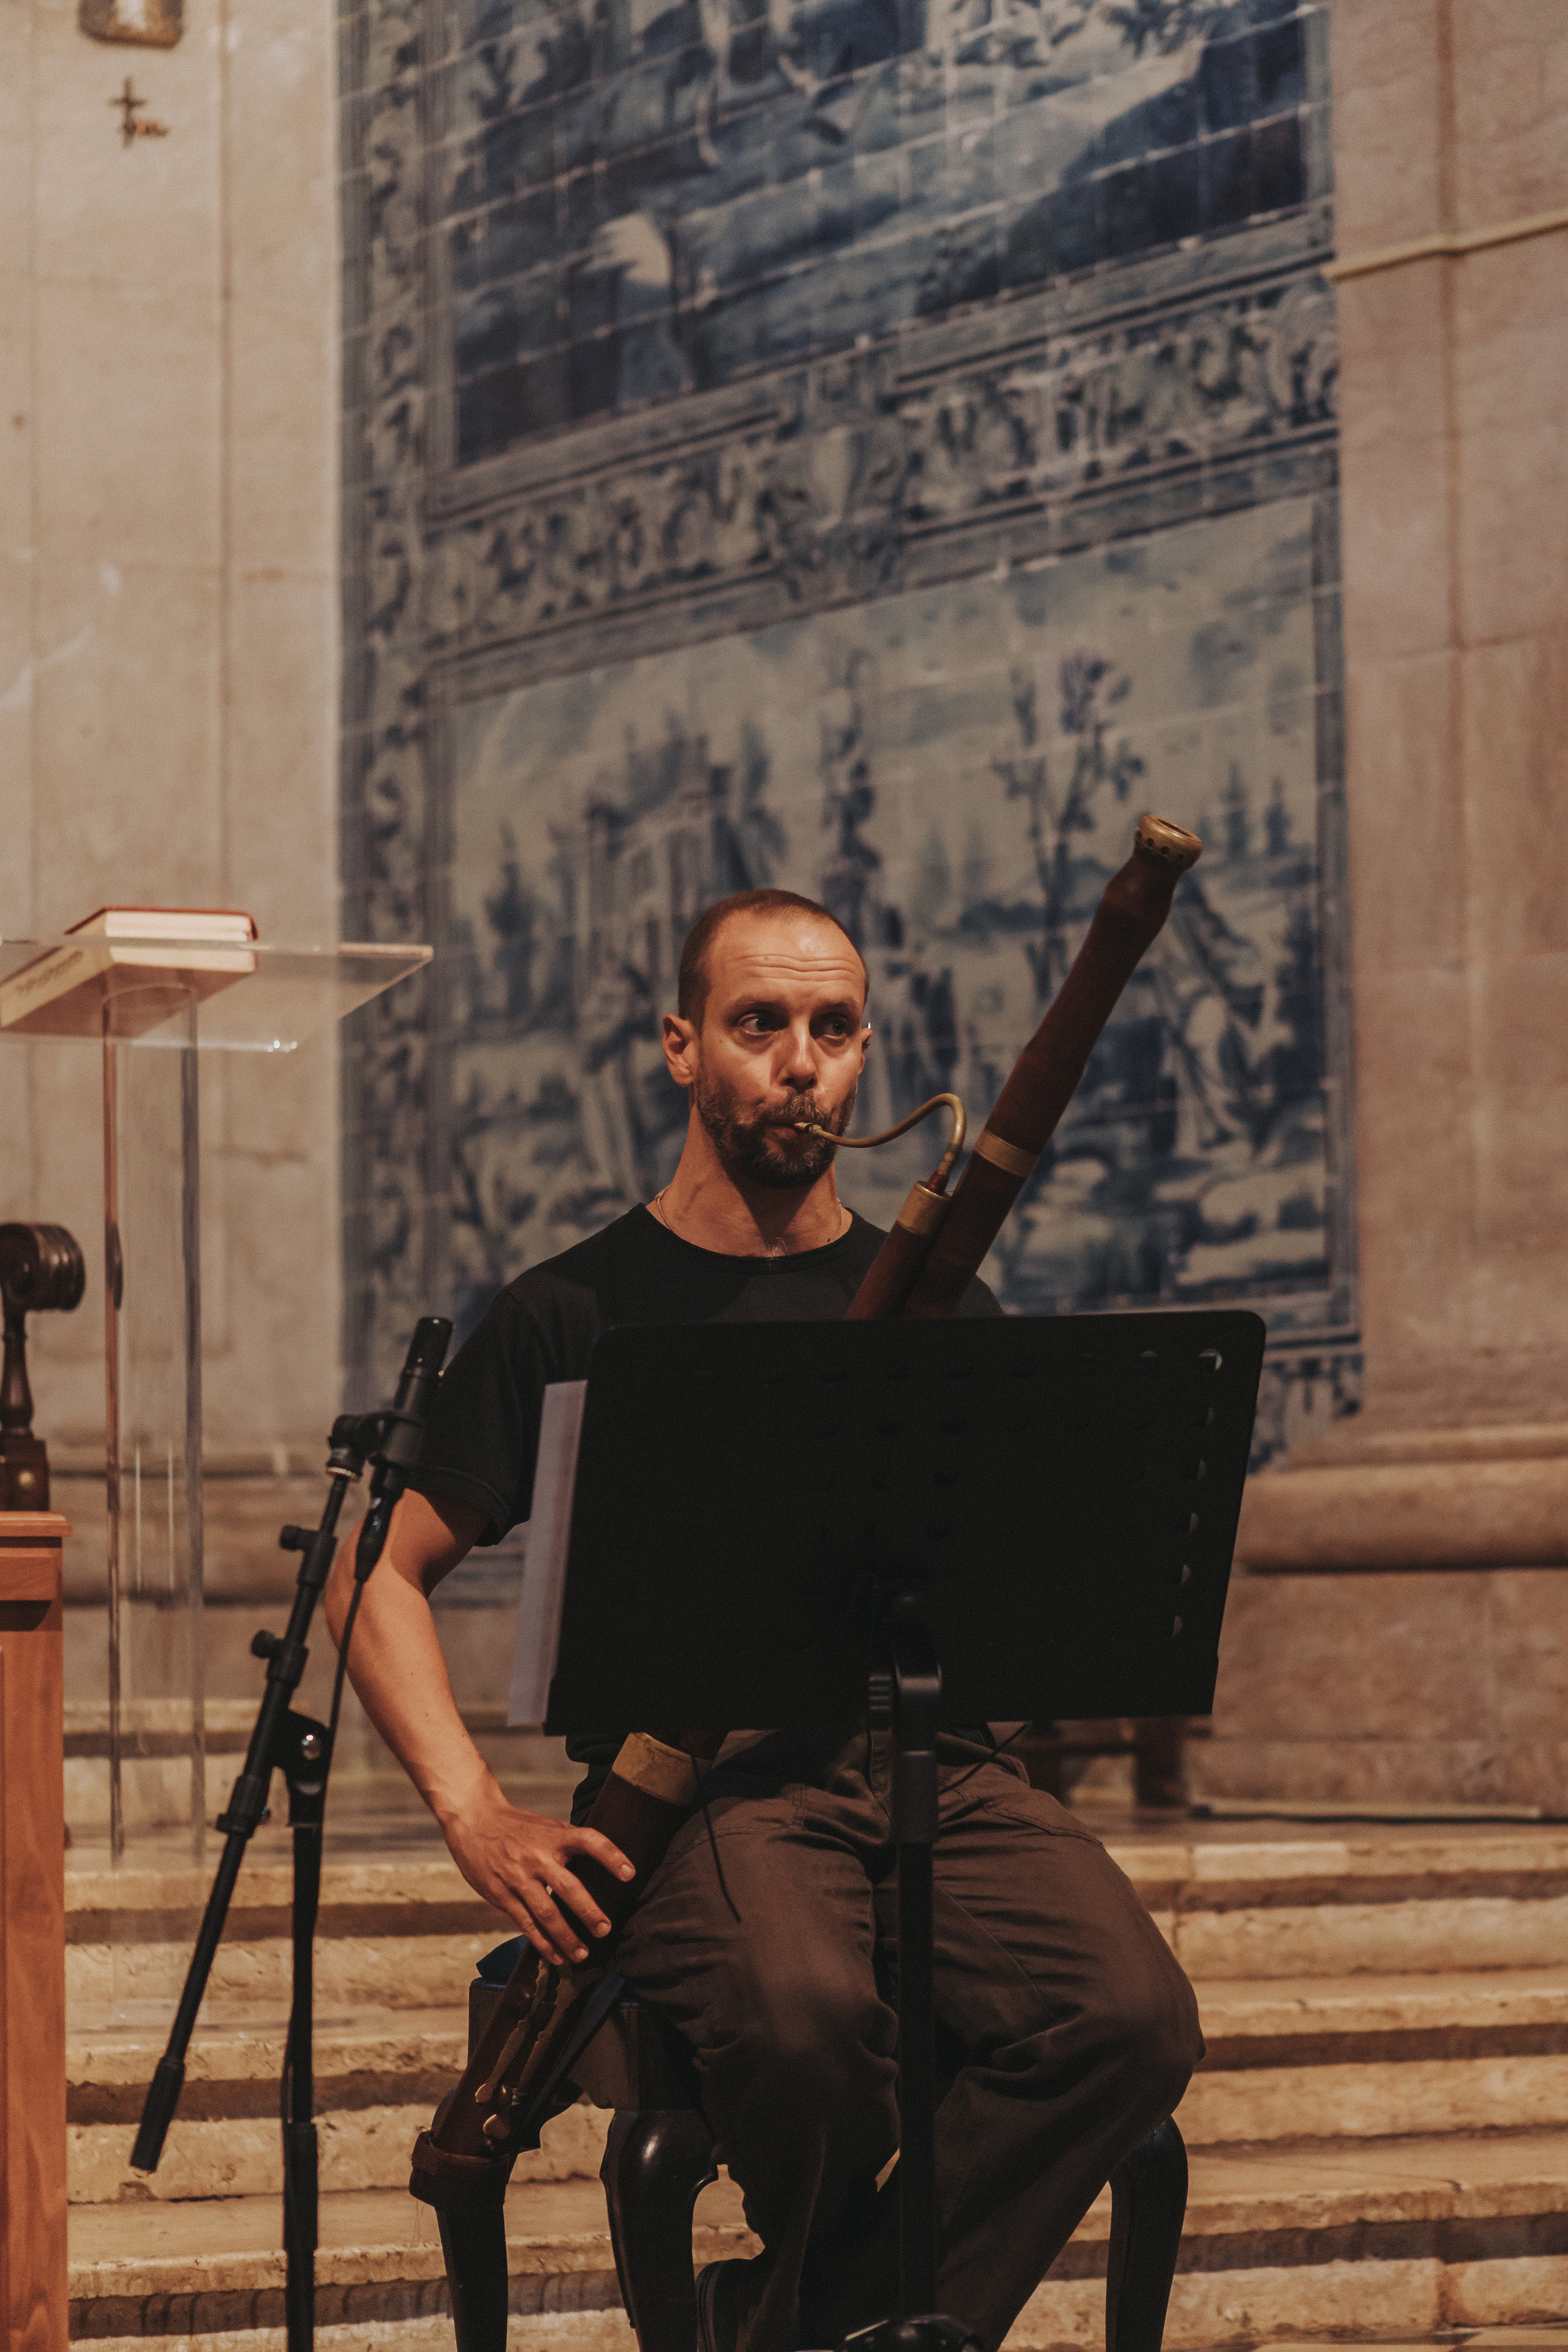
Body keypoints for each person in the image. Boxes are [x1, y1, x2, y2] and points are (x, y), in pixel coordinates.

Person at [325, 887, 1202, 2352]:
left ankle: (792, 2327)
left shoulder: (943, 1301)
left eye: (833, 1029)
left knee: (1130, 2018)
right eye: (759, 1024)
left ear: (863, 1053)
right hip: (710, 1787)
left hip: (936, 1768)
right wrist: (474, 1812)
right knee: (802, 2026)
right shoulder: (573, 1307)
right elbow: (374, 1575)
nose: (801, 1063)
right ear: (682, 1047)